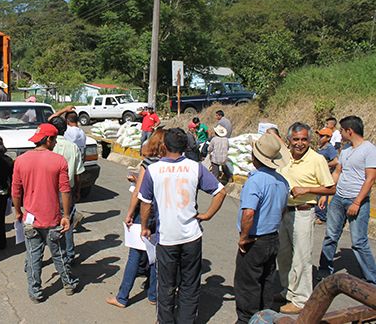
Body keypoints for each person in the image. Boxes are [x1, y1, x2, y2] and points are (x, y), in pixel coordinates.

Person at [139, 128, 227, 323]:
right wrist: (207, 215)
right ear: (185, 146)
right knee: (190, 284)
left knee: (166, 285)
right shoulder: (195, 167)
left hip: (166, 237)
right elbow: (220, 192)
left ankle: (166, 320)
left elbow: (145, 203)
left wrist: (145, 226)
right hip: (191, 236)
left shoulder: (153, 170)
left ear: (164, 146)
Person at [12, 123, 79, 303]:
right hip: (53, 219)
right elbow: (65, 190)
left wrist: (18, 212)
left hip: (30, 219)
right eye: (55, 139)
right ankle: (69, 284)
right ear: (48, 139)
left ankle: (35, 291)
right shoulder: (58, 161)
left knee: (33, 255)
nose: (55, 143)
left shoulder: (21, 160)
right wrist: (66, 216)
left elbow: (16, 191)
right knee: (59, 254)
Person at [276, 122, 335, 314]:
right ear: (289, 140)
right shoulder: (285, 158)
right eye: (296, 139)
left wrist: (308, 189)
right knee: (283, 255)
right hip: (284, 211)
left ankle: (301, 300)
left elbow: (330, 187)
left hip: (303, 211)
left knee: (301, 257)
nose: (300, 143)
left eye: (304, 139)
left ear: (309, 140)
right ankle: (287, 291)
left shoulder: (316, 159)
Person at [234, 133, 290, 323]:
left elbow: (249, 213)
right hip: (272, 237)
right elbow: (282, 210)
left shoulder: (256, 180)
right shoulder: (283, 182)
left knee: (247, 284)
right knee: (266, 280)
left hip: (255, 239)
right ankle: (265, 317)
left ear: (255, 156)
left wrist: (243, 237)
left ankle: (247, 320)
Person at [106, 129, 165, 309]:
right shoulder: (168, 163)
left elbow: (138, 194)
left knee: (135, 254)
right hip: (162, 213)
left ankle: (122, 296)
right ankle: (153, 294)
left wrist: (130, 213)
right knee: (156, 254)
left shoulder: (148, 163)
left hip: (145, 212)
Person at [318, 116, 376, 284]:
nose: (340, 134)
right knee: (330, 236)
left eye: (342, 130)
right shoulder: (346, 150)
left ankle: (372, 279)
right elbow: (338, 173)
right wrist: (325, 193)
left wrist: (357, 202)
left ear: (349, 131)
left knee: (359, 242)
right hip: (338, 199)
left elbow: (370, 179)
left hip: (357, 201)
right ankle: (324, 270)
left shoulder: (369, 150)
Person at [49, 117, 85, 265]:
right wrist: (77, 190)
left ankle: (54, 252)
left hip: (49, 189)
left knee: (49, 222)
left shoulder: (48, 146)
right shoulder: (73, 147)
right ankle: (69, 254)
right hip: (67, 190)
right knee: (67, 221)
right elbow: (77, 173)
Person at [314, 127, 339, 224]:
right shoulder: (321, 148)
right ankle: (318, 213)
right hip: (318, 174)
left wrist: (325, 165)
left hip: (325, 175)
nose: (319, 138)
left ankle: (322, 216)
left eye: (322, 136)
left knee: (322, 194)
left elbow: (336, 161)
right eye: (319, 136)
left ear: (328, 138)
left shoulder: (329, 148)